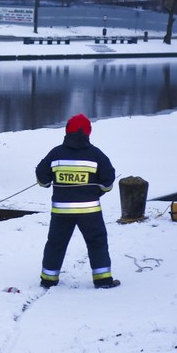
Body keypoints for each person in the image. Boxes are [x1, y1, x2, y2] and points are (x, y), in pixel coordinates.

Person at [36, 113, 120, 289]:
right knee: (97, 242)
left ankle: (48, 279)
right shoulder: (96, 154)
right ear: (88, 133)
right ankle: (103, 280)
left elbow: (42, 177)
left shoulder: (56, 153)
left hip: (61, 211)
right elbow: (109, 179)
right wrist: (98, 191)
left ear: (67, 132)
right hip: (90, 211)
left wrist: (48, 182)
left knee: (56, 243)